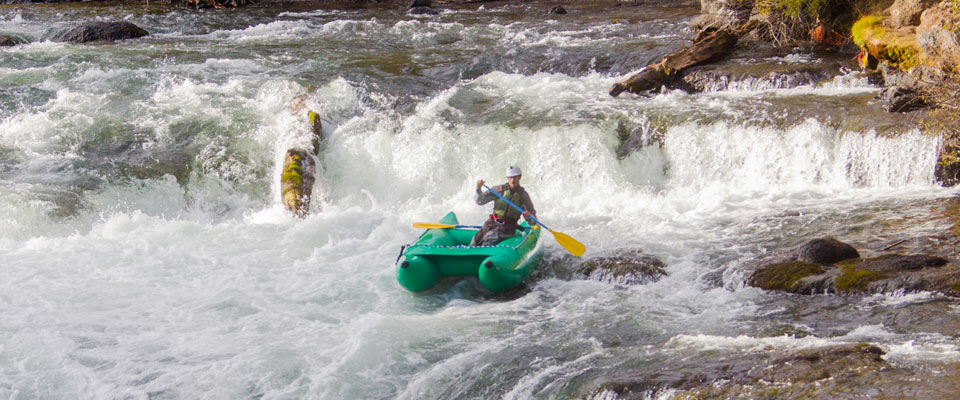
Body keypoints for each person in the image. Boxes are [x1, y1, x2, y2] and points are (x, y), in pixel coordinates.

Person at [470, 165, 537, 246]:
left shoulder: (523, 196)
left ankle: (485, 253)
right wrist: (478, 190)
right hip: (492, 223)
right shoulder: (499, 190)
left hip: (508, 227)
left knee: (490, 238)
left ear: (519, 177)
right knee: (475, 240)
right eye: (510, 177)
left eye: (515, 177)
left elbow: (533, 221)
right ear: (507, 178)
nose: (512, 180)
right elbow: (480, 201)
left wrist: (529, 218)